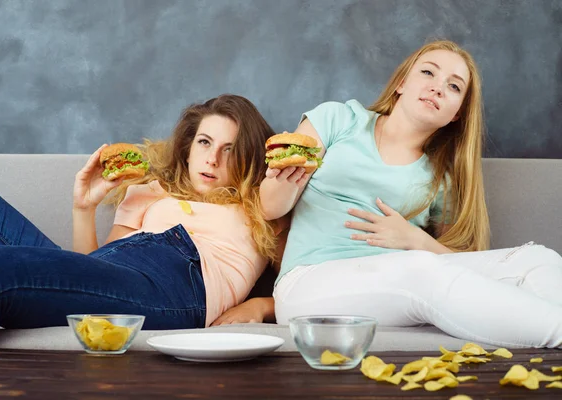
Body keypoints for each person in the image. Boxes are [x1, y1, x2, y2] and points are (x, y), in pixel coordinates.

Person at [231, 40, 562, 348]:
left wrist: (414, 239)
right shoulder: (338, 119)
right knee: (419, 270)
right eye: (428, 72)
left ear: (456, 113)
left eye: (454, 86)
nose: (438, 86)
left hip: (393, 285)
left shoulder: (440, 178)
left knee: (538, 259)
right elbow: (270, 208)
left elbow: (458, 264)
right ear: (402, 82)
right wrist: (284, 180)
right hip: (307, 285)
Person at [0, 94, 283, 349]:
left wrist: (260, 306)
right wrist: (83, 207)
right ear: (187, 149)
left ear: (248, 159)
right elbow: (92, 274)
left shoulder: (264, 204)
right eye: (205, 142)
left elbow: (296, 281)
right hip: (124, 272)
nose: (213, 159)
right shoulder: (151, 191)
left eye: (230, 149)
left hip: (175, 285)